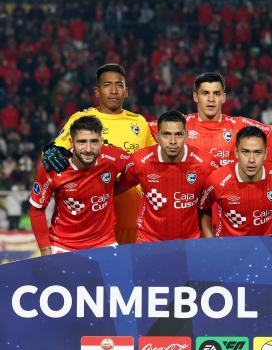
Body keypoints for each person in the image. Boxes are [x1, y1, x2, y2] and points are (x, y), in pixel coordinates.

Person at [43, 64, 155, 244]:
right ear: (97, 91)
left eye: (119, 85)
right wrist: (50, 150)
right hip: (93, 223)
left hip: (135, 219)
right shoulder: (81, 120)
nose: (113, 90)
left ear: (126, 91)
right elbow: (56, 150)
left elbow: (153, 161)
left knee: (133, 271)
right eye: (107, 85)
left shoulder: (139, 123)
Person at [29, 116, 129, 255]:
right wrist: (45, 251)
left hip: (105, 244)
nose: (88, 149)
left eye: (94, 141)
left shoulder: (114, 157)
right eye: (82, 142)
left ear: (101, 141)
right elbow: (37, 209)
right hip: (63, 245)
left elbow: (137, 171)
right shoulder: (53, 167)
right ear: (71, 142)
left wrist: (115, 188)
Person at [116, 111, 214, 242]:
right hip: (148, 239)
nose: (173, 141)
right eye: (166, 134)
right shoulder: (139, 161)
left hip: (190, 241)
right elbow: (115, 189)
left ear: (186, 136)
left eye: (178, 134)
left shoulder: (205, 162)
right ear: (157, 136)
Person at [148, 72, 272, 168]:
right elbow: (140, 128)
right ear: (195, 97)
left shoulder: (240, 125)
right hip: (189, 198)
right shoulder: (179, 125)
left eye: (216, 94)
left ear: (223, 98)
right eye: (205, 93)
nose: (211, 99)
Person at [199, 126, 272, 236]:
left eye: (257, 152)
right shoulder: (217, 180)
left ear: (265, 154)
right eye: (245, 152)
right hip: (228, 247)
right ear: (236, 153)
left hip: (265, 248)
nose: (251, 160)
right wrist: (210, 241)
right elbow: (203, 209)